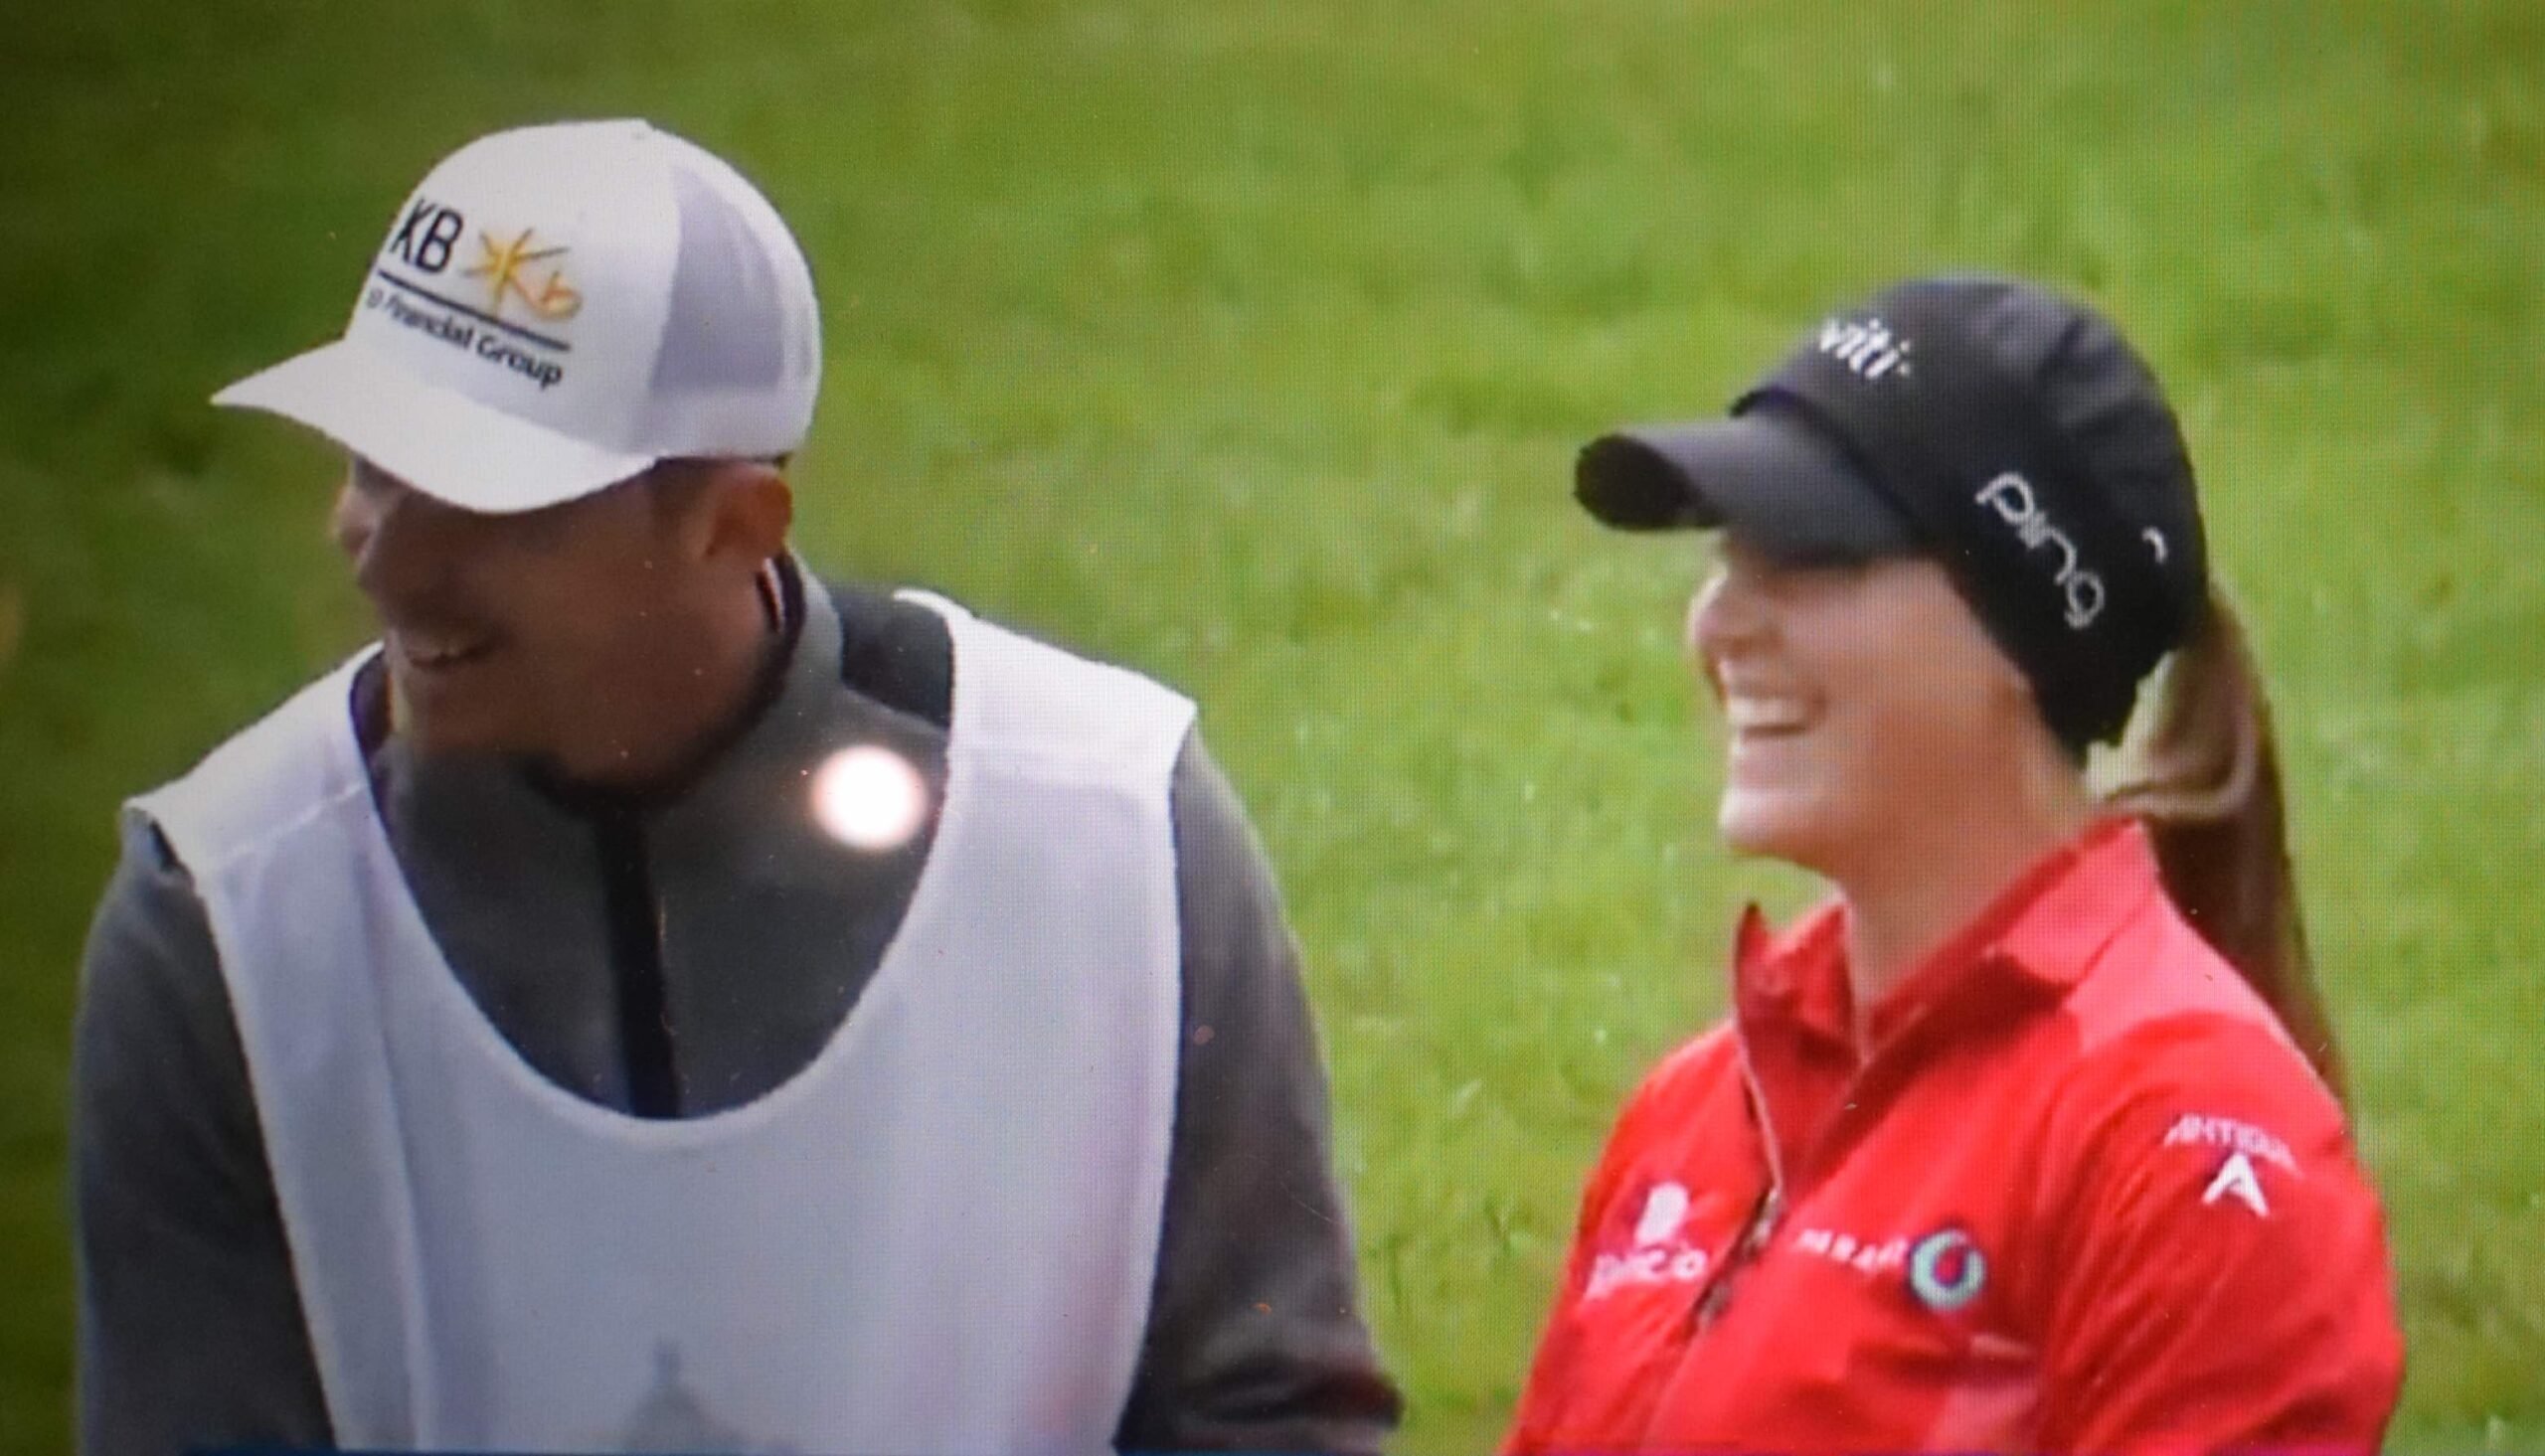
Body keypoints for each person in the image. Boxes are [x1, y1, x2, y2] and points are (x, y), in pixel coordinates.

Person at [72, 118, 1398, 1456]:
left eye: (489, 505)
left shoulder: (1116, 833)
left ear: (735, 527)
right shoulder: (219, 920)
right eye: (375, 468)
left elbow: (1268, 1414)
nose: (387, 563)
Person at [1503, 276, 2403, 1453]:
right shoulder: (1691, 1111)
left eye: (1807, 556)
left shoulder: (2186, 1139)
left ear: (2023, 626)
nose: (1717, 625)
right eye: (1727, 557)